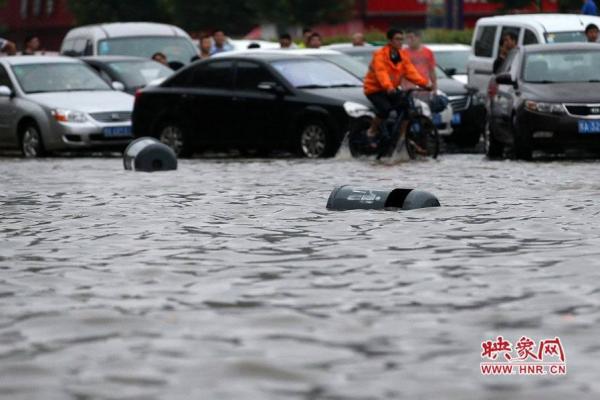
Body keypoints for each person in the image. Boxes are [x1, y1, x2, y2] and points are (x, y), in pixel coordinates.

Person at [363, 28, 431, 139]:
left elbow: (411, 72)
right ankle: (372, 130)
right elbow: (381, 73)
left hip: (391, 89)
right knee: (385, 109)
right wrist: (388, 87)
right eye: (397, 39)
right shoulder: (380, 55)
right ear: (390, 41)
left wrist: (424, 84)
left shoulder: (402, 55)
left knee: (407, 109)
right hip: (375, 89)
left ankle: (402, 138)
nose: (400, 42)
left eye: (401, 39)